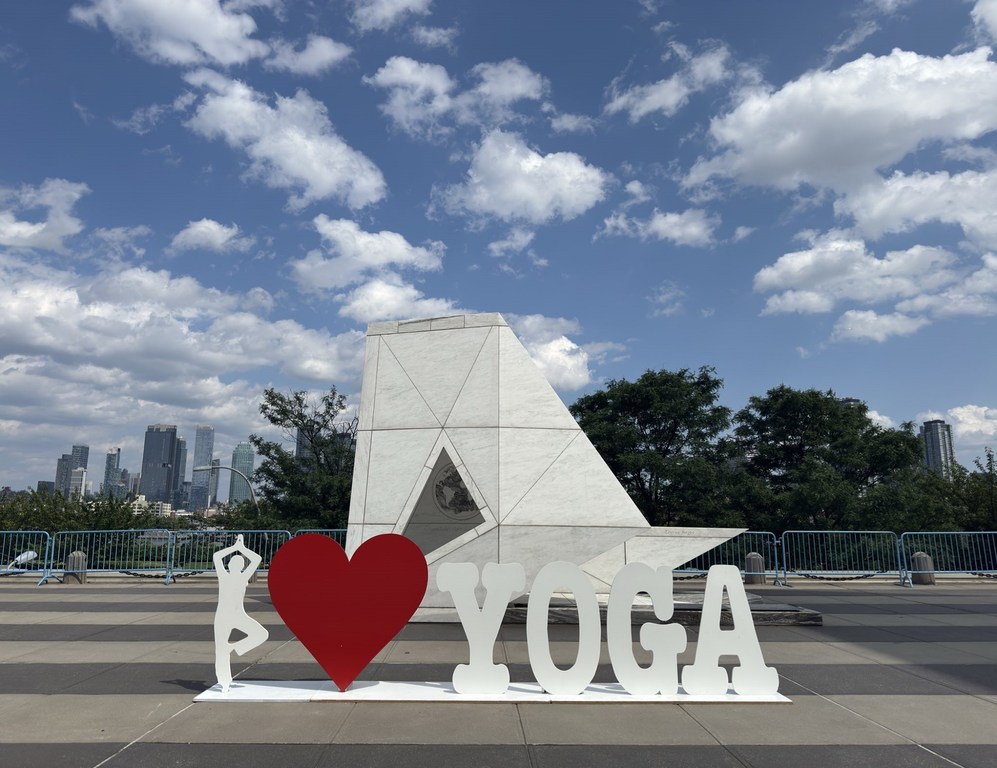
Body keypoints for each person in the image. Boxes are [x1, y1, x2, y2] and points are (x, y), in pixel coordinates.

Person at [213, 534, 269, 692]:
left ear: (242, 567)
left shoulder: (243, 576)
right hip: (224, 617)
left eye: (239, 562)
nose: (236, 564)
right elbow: (217, 556)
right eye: (234, 562)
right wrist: (237, 548)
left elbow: (256, 559)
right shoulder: (224, 576)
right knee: (220, 650)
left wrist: (240, 548)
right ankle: (224, 683)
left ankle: (234, 649)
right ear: (230, 566)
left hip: (237, 615)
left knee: (261, 634)